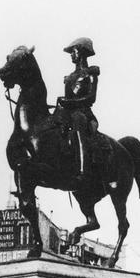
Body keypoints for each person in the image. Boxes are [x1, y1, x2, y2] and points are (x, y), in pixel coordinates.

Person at [56, 37, 100, 182]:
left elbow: (91, 98)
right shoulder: (69, 77)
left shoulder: (91, 73)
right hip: (67, 112)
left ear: (81, 52)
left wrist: (68, 102)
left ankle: (83, 170)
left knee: (78, 121)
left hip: (84, 114)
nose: (71, 55)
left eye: (73, 51)